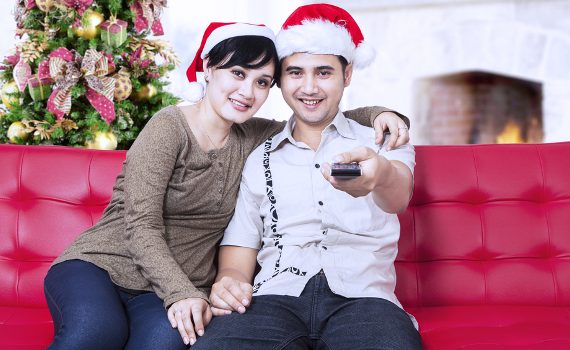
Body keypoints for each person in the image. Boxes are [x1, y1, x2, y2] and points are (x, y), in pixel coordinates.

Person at [43, 20, 411, 350]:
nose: (247, 91)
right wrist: (190, 292)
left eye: (262, 81)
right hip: (108, 266)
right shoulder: (172, 128)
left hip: (166, 290)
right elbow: (140, 223)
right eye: (237, 73)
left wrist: (382, 117)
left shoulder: (258, 136)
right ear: (208, 69)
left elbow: (319, 115)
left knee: (163, 342)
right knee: (94, 334)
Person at [194, 4, 422, 350]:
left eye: (324, 73)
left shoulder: (383, 138)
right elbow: (238, 255)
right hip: (274, 298)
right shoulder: (260, 157)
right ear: (280, 80)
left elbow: (398, 195)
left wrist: (379, 174)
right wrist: (230, 281)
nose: (309, 87)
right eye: (296, 72)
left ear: (347, 75)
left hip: (364, 301)